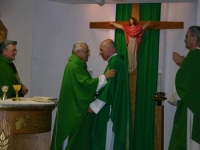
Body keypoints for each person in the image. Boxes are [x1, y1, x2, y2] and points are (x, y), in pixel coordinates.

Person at [50, 41, 115, 150]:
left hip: (78, 109)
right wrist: (104, 77)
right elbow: (85, 85)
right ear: (78, 52)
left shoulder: (79, 66)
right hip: (74, 113)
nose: (89, 54)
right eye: (86, 51)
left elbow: (84, 86)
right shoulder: (73, 66)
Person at [89, 39, 133, 150]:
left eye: (101, 49)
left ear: (110, 48)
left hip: (109, 109)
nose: (100, 53)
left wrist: (94, 107)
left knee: (107, 141)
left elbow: (109, 89)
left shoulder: (115, 62)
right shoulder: (118, 62)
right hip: (111, 105)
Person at [169, 26, 200, 150]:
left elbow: (182, 82)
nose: (184, 40)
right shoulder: (193, 58)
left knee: (186, 142)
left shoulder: (193, 57)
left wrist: (181, 64)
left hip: (190, 109)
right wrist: (183, 63)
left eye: (187, 37)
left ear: (194, 39)